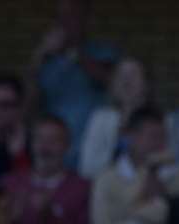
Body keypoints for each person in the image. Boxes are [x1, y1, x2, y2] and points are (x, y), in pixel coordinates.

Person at [28, 0, 118, 159]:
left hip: (92, 148)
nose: (66, 23)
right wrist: (39, 58)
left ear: (86, 19)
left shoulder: (104, 51)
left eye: (72, 17)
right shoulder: (47, 61)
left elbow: (111, 82)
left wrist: (73, 52)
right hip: (55, 153)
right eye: (61, 17)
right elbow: (29, 102)